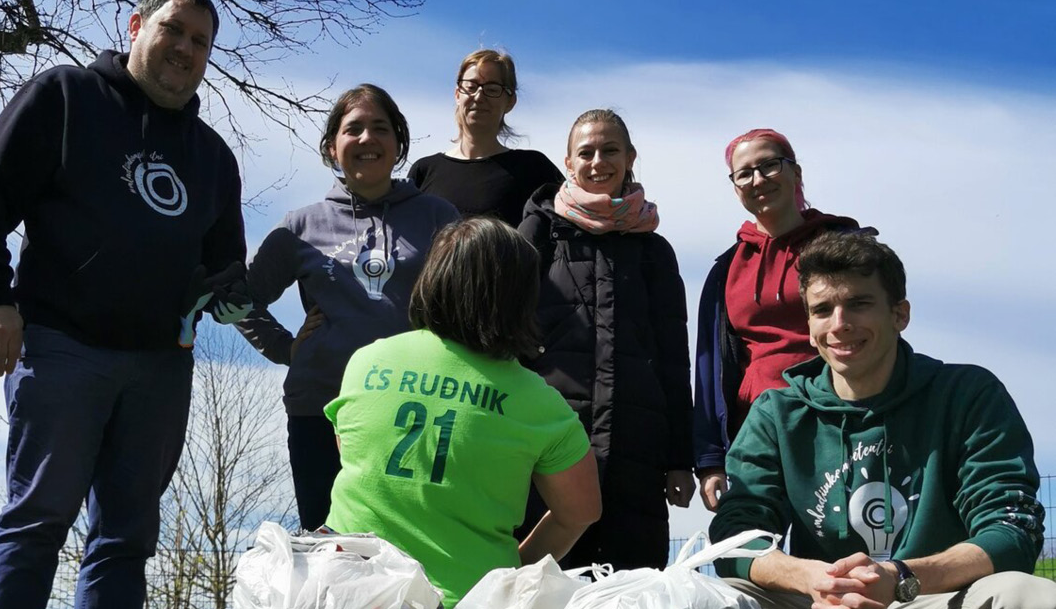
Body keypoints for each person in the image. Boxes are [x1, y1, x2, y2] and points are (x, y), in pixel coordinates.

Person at [0, 0, 250, 609]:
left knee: (125, 537)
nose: (186, 49)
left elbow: (224, 268)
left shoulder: (214, 158)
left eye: (201, 41)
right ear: (136, 25)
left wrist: (250, 301)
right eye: (174, 30)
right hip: (61, 346)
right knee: (37, 519)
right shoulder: (65, 97)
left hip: (160, 367)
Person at [710, 232, 1052, 609]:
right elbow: (736, 534)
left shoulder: (967, 394)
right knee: (701, 597)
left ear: (899, 314)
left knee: (1029, 594)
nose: (839, 324)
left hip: (930, 595)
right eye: (822, 310)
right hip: (817, 598)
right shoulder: (776, 413)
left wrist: (899, 577)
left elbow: (1010, 528)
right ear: (808, 326)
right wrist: (812, 579)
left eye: (858, 304)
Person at [324, 217, 601, 607]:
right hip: (469, 596)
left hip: (349, 591)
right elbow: (581, 511)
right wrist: (513, 572)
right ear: (520, 298)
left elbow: (352, 454)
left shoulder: (366, 362)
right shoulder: (541, 404)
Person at [234, 84, 459, 530]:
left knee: (413, 550)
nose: (366, 139)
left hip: (416, 411)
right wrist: (286, 348)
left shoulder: (438, 217)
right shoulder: (300, 226)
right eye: (352, 129)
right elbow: (241, 300)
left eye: (380, 128)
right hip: (321, 406)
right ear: (332, 146)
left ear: (399, 143)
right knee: (327, 548)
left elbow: (468, 302)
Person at [516, 109, 693, 570]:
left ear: (630, 156)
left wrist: (679, 459)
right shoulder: (538, 234)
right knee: (540, 588)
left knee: (631, 589)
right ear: (568, 163)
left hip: (637, 452)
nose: (598, 162)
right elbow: (506, 339)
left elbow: (674, 359)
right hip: (547, 446)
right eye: (586, 152)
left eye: (610, 150)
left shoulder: (655, 250)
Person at [694, 129, 872, 511]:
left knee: (840, 539)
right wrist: (709, 459)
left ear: (795, 172)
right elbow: (709, 366)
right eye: (744, 173)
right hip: (756, 428)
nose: (757, 180)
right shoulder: (726, 270)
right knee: (749, 547)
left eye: (769, 165)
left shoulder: (842, 244)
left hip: (837, 420)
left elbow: (877, 327)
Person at [408, 49, 563, 226]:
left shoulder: (533, 168)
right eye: (471, 87)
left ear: (510, 101)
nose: (479, 96)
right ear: (458, 94)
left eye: (492, 89)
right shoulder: (424, 171)